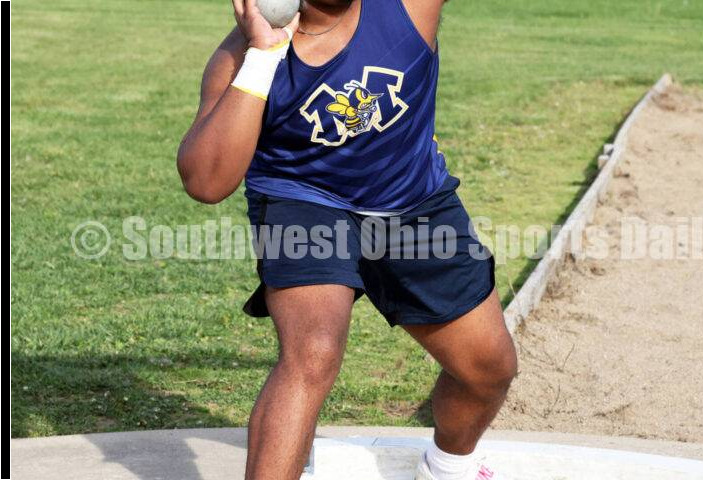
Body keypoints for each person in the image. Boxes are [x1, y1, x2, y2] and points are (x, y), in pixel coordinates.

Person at [177, 0, 517, 478]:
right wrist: (264, 54)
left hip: (413, 200)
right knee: (312, 351)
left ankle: (448, 466)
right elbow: (206, 183)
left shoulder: (407, 7)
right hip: (305, 203)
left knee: (488, 369)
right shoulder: (241, 59)